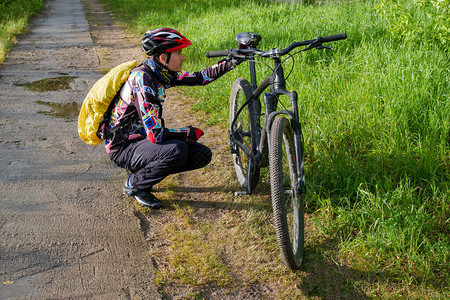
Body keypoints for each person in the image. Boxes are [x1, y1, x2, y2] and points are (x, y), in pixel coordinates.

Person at [105, 28, 239, 208]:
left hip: (140, 141)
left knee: (202, 154)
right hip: (122, 147)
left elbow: (200, 77)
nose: (183, 57)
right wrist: (185, 132)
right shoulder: (143, 80)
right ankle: (134, 184)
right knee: (177, 150)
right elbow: (155, 135)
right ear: (163, 57)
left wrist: (234, 60)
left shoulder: (161, 73)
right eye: (179, 52)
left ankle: (143, 169)